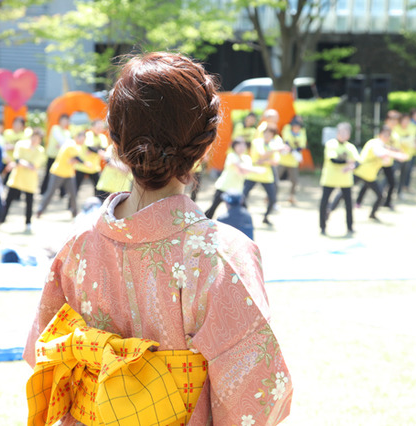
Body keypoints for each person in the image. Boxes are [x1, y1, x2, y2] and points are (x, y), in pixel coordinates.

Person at [23, 52, 292, 425]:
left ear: (115, 143)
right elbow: (257, 394)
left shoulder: (78, 243)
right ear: (206, 142)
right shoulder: (219, 254)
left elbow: (44, 350)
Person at [330, 126, 408, 222]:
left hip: (370, 176)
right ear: (379, 134)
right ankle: (329, 210)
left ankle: (372, 214)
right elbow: (381, 152)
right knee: (343, 193)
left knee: (380, 196)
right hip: (360, 172)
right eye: (385, 134)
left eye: (388, 135)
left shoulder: (384, 145)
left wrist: (396, 153)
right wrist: (397, 155)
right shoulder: (374, 143)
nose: (387, 137)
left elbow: (386, 156)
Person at [205, 138, 263, 219]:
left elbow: (243, 172)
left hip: (237, 190)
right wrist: (255, 170)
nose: (241, 147)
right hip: (224, 187)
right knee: (212, 209)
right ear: (234, 147)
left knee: (243, 210)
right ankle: (201, 223)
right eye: (238, 145)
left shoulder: (247, 158)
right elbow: (239, 169)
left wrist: (247, 169)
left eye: (243, 145)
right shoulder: (231, 156)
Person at [319, 122, 360, 236]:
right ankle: (322, 226)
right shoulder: (330, 144)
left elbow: (357, 161)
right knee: (324, 202)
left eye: (345, 133)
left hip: (345, 180)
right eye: (340, 132)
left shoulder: (350, 147)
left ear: (349, 135)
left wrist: (352, 166)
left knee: (348, 204)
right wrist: (347, 162)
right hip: (330, 178)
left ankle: (350, 226)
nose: (342, 135)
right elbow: (334, 160)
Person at [36, 131, 88, 219]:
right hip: (58, 172)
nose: (82, 141)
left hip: (69, 173)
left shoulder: (76, 146)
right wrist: (85, 163)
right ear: (76, 137)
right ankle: (40, 210)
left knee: (73, 193)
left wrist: (74, 161)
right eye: (81, 139)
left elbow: (72, 160)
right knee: (50, 192)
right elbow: (76, 158)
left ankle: (75, 212)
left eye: (83, 140)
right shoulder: (71, 144)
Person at [2, 128, 46, 231]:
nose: (35, 141)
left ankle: (28, 222)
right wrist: (25, 163)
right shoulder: (21, 144)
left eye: (38, 139)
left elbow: (34, 166)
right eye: (34, 138)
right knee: (8, 200)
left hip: (30, 180)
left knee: (29, 202)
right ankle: (1, 219)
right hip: (17, 177)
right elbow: (16, 159)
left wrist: (22, 163)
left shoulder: (40, 150)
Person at [242, 126, 282, 226]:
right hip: (253, 173)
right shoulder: (257, 142)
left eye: (270, 134)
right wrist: (274, 151)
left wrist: (264, 161)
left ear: (273, 135)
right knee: (243, 196)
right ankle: (245, 215)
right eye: (265, 133)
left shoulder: (273, 144)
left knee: (273, 199)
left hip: (266, 175)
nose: (267, 135)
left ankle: (266, 217)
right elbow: (262, 154)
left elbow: (276, 162)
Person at [74, 119, 108, 200]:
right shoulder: (88, 135)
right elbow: (89, 147)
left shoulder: (102, 137)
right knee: (76, 187)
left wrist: (94, 150)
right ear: (92, 127)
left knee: (98, 188)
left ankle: (97, 204)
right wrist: (97, 150)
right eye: (98, 127)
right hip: (82, 166)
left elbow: (103, 149)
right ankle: (71, 205)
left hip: (94, 167)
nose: (100, 129)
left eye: (101, 127)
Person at [278, 116, 307, 205]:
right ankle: (270, 196)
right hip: (283, 159)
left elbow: (302, 145)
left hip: (293, 160)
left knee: (294, 180)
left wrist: (295, 150)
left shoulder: (302, 131)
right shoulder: (287, 128)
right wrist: (291, 148)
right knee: (276, 178)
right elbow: (286, 141)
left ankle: (291, 196)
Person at [40, 114, 71, 195]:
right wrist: (63, 144)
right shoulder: (55, 128)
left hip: (62, 157)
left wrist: (62, 144)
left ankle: (62, 193)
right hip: (52, 155)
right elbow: (62, 140)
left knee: (62, 174)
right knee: (48, 174)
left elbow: (67, 143)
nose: (64, 122)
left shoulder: (67, 132)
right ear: (60, 121)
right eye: (63, 120)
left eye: (66, 120)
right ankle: (43, 191)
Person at [393, 113, 416, 200]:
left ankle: (399, 192)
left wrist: (404, 140)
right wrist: (406, 140)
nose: (406, 122)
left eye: (408, 120)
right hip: (397, 156)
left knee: (403, 176)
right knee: (391, 174)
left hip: (408, 156)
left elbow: (411, 140)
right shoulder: (396, 128)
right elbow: (397, 141)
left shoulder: (412, 128)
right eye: (404, 120)